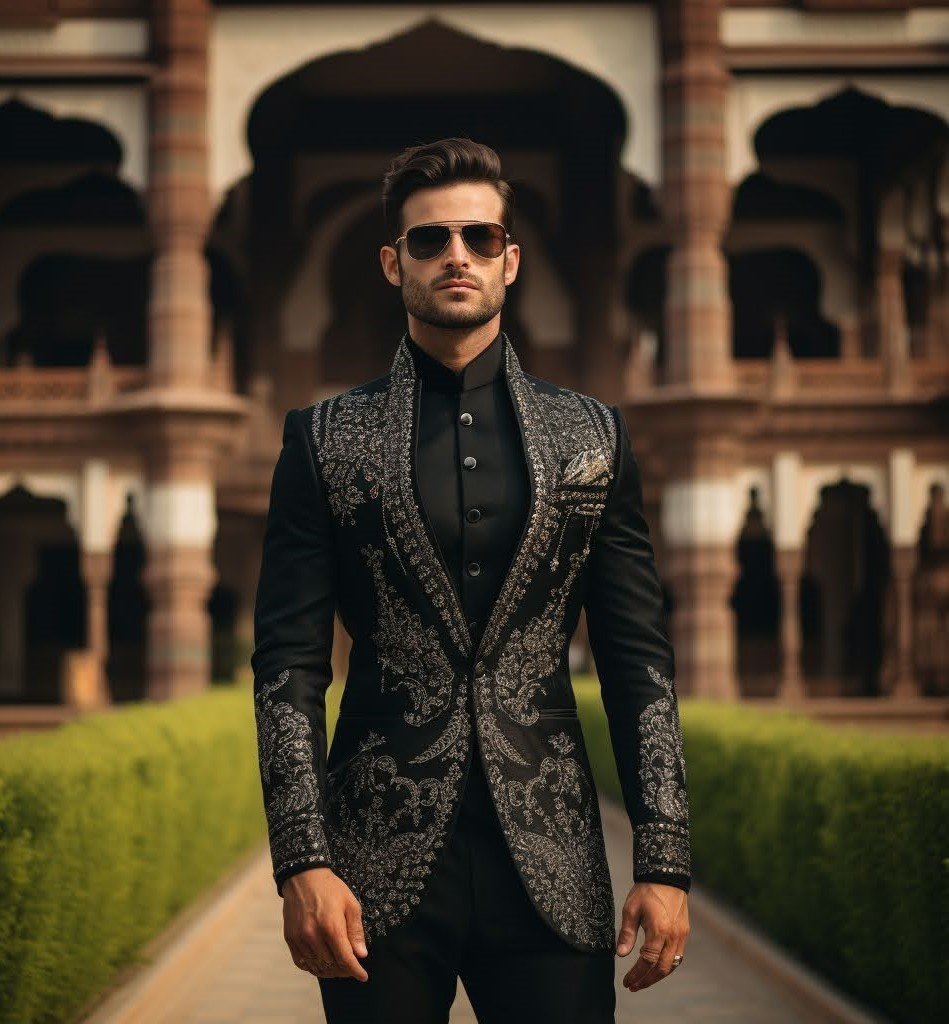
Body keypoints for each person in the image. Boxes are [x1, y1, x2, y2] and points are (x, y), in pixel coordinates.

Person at [251, 137, 692, 1024]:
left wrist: (662, 859)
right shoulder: (323, 439)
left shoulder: (592, 439)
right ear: (392, 262)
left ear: (509, 259)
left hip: (552, 856)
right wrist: (302, 862)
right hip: (373, 864)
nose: (456, 255)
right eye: (429, 239)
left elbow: (638, 659)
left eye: (479, 239)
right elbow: (288, 668)